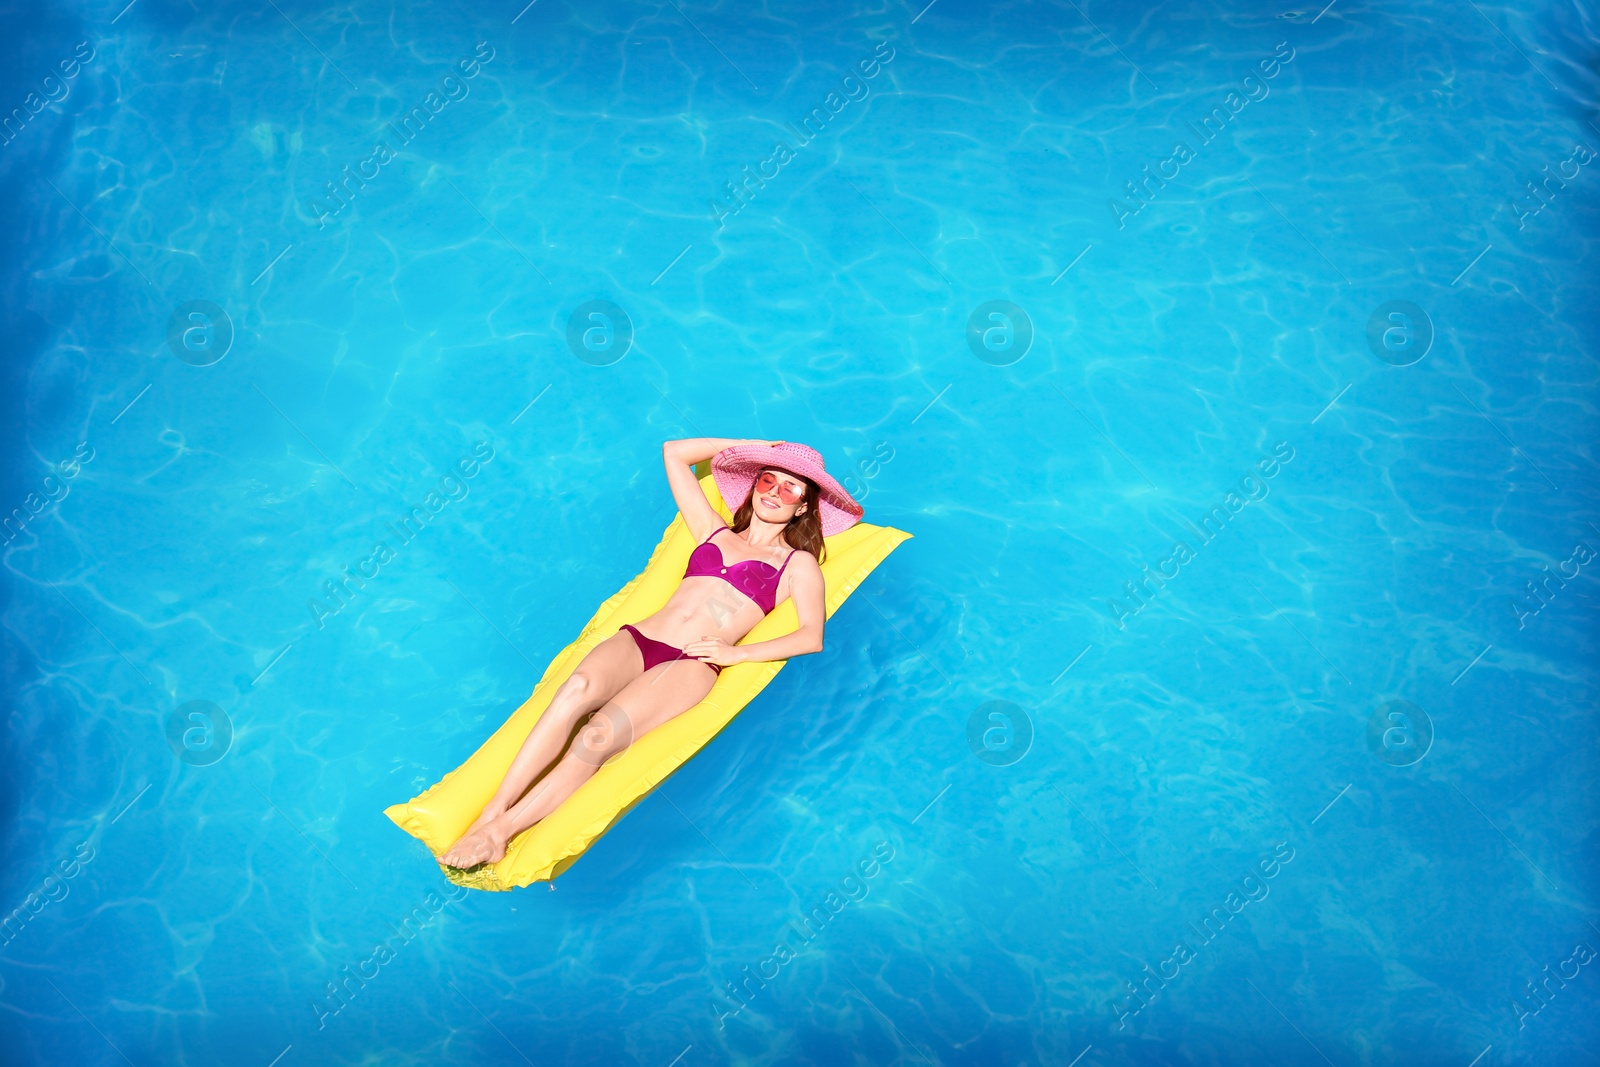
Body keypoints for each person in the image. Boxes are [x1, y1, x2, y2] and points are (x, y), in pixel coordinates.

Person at [438, 437, 865, 869]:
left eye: (790, 488)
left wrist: (738, 654)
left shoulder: (797, 565)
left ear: (805, 508)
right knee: (575, 690)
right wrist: (757, 448)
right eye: (768, 479)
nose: (774, 492)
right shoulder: (711, 528)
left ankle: (499, 834)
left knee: (596, 736)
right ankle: (495, 808)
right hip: (642, 639)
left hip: (691, 663)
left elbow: (811, 636)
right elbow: (673, 452)